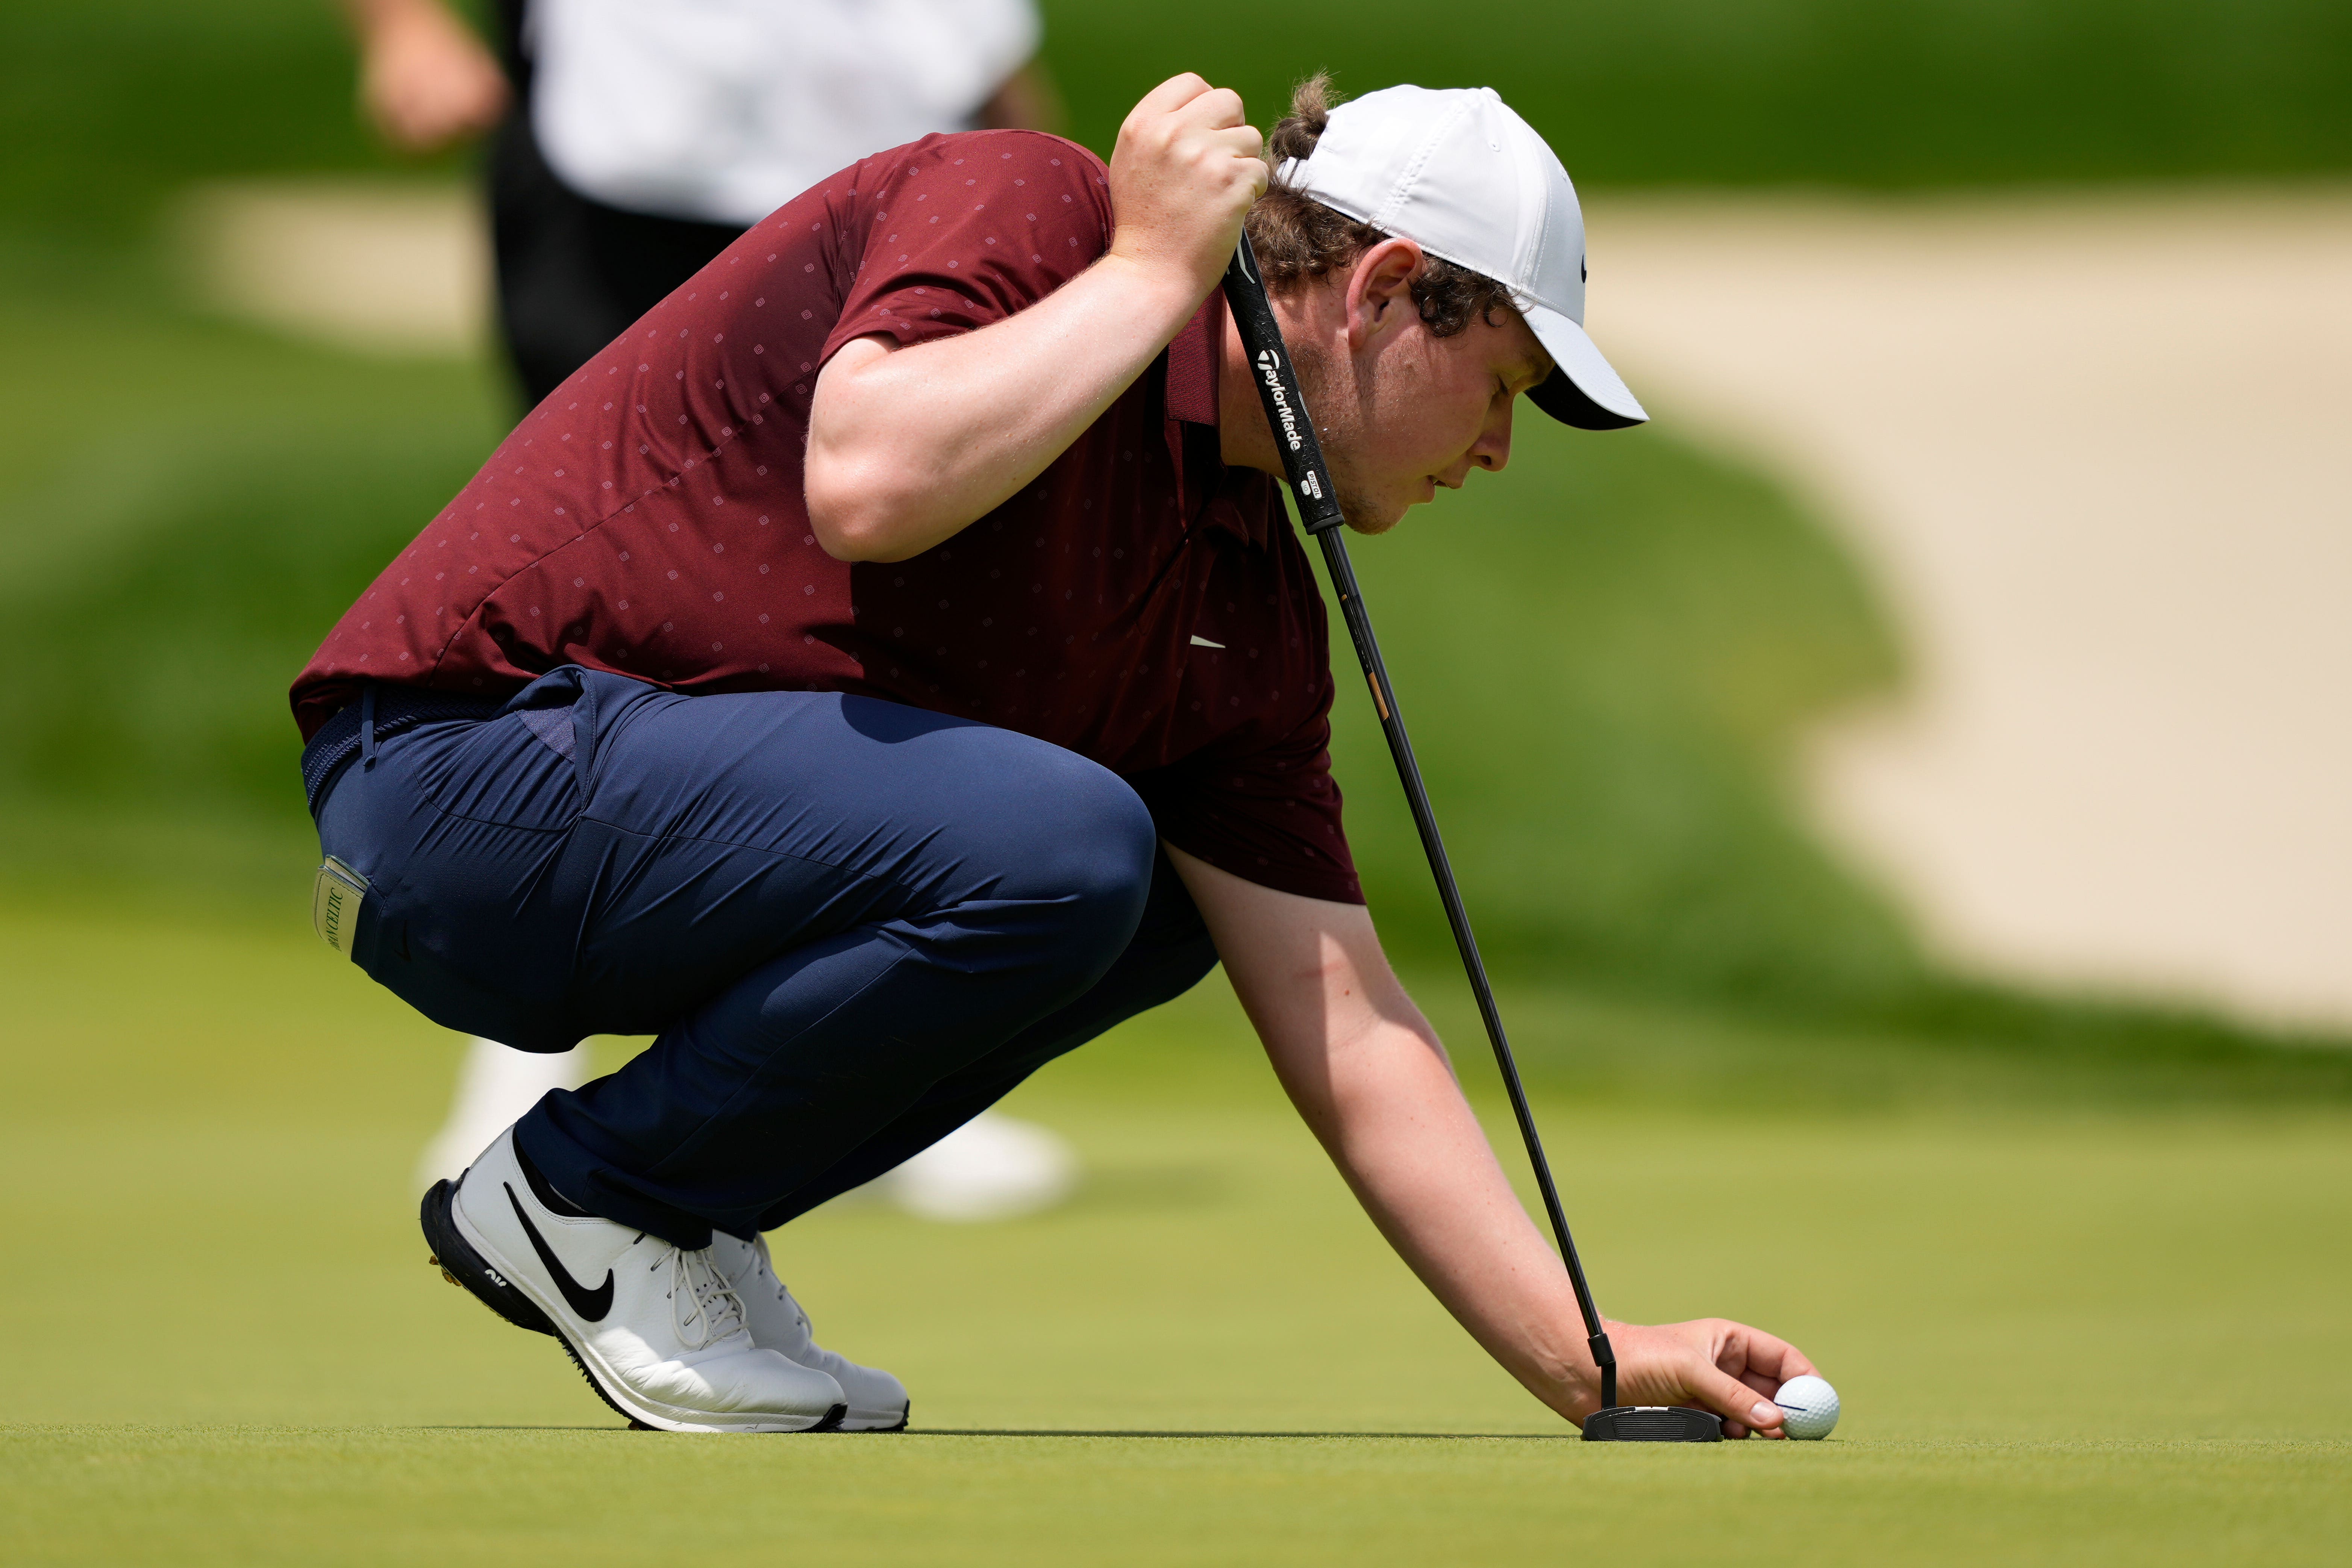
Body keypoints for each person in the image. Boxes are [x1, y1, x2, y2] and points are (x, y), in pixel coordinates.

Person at [292, 73, 1819, 1435]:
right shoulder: (1037, 208)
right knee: (1071, 841)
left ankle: (671, 1215)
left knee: (1158, 894)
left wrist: (1587, 1353)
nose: (1494, 446)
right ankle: (588, 1193)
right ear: (1386, 288)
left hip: (612, 837)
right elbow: (868, 479)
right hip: (449, 772)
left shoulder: (1241, 607)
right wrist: (1156, 267)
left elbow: (1343, 1019)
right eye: (1498, 383)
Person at [345, 0, 1073, 1211]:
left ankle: (862, 1056)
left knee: (878, 601)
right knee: (593, 592)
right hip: (623, 168)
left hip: (875, 176)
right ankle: (527, 1055)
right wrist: (405, 29)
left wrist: (1039, 169)